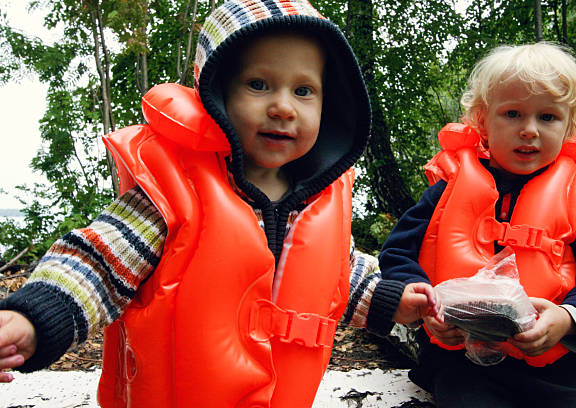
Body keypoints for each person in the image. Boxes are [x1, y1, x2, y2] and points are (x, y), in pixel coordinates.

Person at [0, 1, 441, 407]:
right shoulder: (172, 195)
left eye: (304, 91)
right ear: (216, 96)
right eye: (258, 84)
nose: (283, 107)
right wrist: (35, 318)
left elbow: (339, 277)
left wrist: (391, 298)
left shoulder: (314, 201)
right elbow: (98, 261)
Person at [369, 42, 576, 407]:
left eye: (547, 117)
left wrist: (567, 318)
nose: (529, 130)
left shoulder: (574, 201)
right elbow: (399, 253)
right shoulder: (447, 190)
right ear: (482, 121)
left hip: (558, 362)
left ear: (569, 128)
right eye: (512, 114)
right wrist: (425, 307)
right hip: (463, 358)